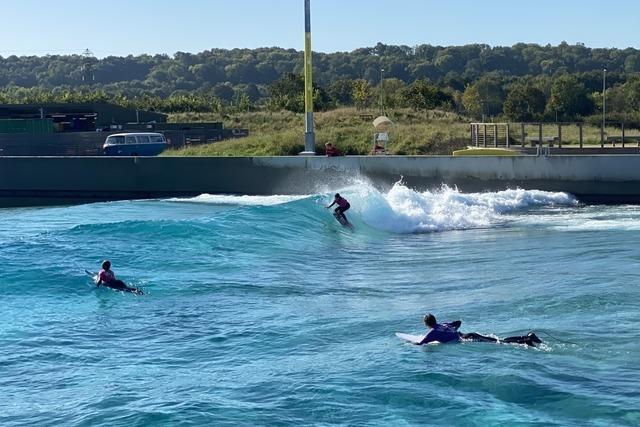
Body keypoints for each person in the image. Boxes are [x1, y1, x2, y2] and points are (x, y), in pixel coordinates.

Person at [419, 313, 542, 347]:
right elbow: (458, 322)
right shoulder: (444, 324)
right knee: (499, 340)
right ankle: (527, 338)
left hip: (467, 339)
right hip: (470, 335)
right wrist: (453, 329)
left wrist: (408, 344)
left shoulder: (433, 332)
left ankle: (528, 340)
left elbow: (421, 343)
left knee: (501, 343)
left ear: (426, 324)